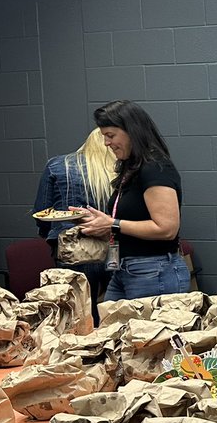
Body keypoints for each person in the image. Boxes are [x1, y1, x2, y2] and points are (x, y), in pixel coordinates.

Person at [76, 100, 189, 301]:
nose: (106, 143)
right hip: (124, 269)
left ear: (132, 131)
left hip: (154, 271)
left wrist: (113, 224)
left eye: (111, 136)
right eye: (104, 137)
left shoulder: (155, 167)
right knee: (110, 327)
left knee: (148, 332)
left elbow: (167, 228)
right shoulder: (132, 168)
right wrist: (101, 222)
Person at [33, 128, 117, 313]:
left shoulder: (57, 165)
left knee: (79, 316)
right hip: (116, 249)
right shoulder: (122, 168)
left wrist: (52, 236)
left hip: (72, 250)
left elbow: (42, 213)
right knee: (114, 313)